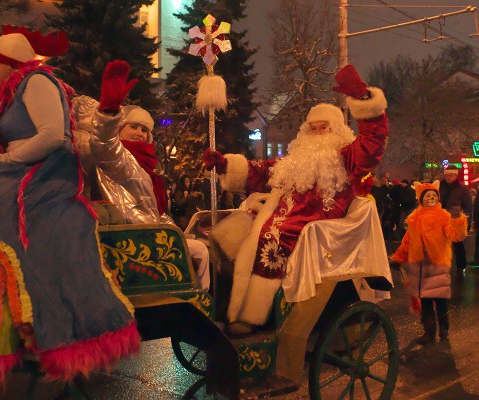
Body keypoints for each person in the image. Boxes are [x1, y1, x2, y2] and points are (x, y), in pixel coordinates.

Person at [0, 27, 139, 387]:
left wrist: (2, 162)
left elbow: (53, 136)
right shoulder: (9, 94)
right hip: (23, 168)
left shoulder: (37, 81)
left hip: (44, 176)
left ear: (10, 63)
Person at [203, 65, 389, 336]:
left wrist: (363, 101)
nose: (317, 134)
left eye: (323, 128)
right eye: (312, 128)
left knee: (270, 238)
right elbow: (263, 170)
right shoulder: (295, 159)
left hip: (316, 223)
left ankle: (254, 316)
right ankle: (224, 305)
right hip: (280, 215)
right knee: (229, 231)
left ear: (336, 130)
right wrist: (226, 164)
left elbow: (373, 144)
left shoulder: (348, 157)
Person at [89, 60, 210, 292]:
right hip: (133, 236)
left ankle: (197, 300)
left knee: (200, 249)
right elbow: (103, 142)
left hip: (151, 232)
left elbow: (158, 211)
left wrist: (174, 232)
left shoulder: (148, 169)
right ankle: (193, 299)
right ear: (120, 128)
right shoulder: (119, 157)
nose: (140, 133)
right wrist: (108, 112)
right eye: (133, 126)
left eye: (145, 130)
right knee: (198, 252)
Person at [391, 182, 467, 344]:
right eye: (427, 196)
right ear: (420, 199)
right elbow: (407, 242)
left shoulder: (444, 216)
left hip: (437, 265)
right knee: (425, 301)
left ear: (438, 197)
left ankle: (444, 329)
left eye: (433, 196)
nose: (430, 198)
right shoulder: (414, 218)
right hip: (419, 266)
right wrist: (398, 258)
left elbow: (456, 236)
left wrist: (457, 219)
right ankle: (429, 332)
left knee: (440, 300)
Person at [439, 166, 473, 271]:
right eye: (446, 175)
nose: (448, 177)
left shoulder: (462, 189)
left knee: (457, 243)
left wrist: (466, 223)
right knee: (441, 243)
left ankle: (461, 265)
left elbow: (468, 206)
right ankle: (442, 264)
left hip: (455, 219)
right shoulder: (439, 186)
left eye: (451, 175)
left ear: (456, 176)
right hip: (440, 219)